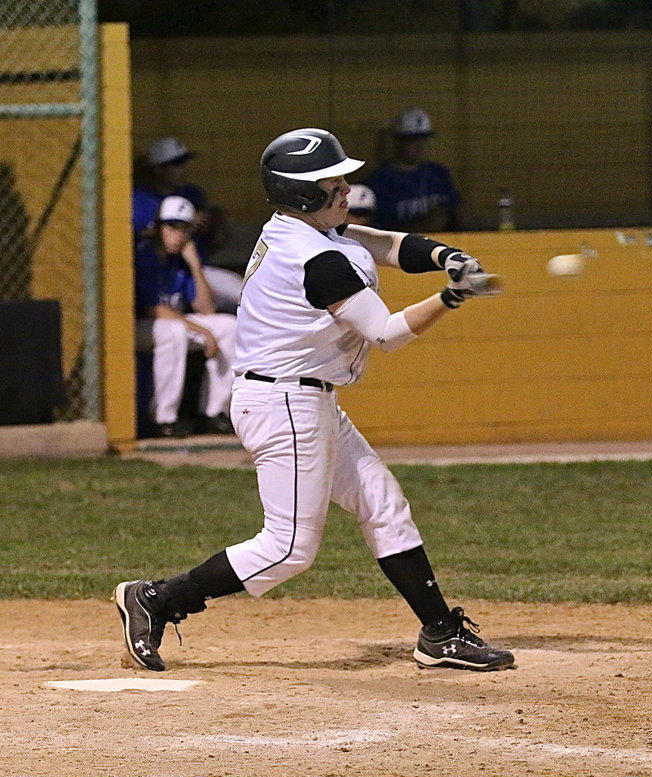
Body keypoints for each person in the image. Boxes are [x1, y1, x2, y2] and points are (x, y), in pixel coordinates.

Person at [114, 128, 514, 674]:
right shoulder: (314, 259)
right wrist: (452, 296)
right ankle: (157, 598)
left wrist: (447, 255)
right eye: (333, 182)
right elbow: (388, 334)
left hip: (303, 397)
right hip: (283, 403)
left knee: (383, 504)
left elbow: (388, 244)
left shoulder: (302, 227)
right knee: (287, 549)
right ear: (305, 194)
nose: (346, 188)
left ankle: (440, 634)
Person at [135, 195, 236, 437]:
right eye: (171, 227)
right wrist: (203, 332)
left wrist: (194, 265)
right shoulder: (145, 254)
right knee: (175, 331)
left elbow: (206, 309)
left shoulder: (181, 261)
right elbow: (154, 309)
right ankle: (162, 418)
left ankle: (214, 413)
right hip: (138, 326)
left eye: (184, 229)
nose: (177, 234)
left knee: (229, 326)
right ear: (159, 228)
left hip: (174, 325)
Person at [133, 136, 243, 314]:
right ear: (158, 169)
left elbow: (216, 240)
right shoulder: (140, 200)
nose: (183, 169)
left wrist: (211, 224)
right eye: (176, 164)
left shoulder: (192, 194)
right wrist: (177, 224)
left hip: (195, 268)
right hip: (162, 272)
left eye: (184, 162)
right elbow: (138, 237)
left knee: (241, 292)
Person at [365, 108, 462, 232]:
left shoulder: (439, 173)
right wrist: (425, 224)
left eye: (423, 139)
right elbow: (377, 232)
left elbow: (460, 215)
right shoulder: (379, 181)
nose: (419, 146)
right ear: (398, 142)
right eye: (412, 140)